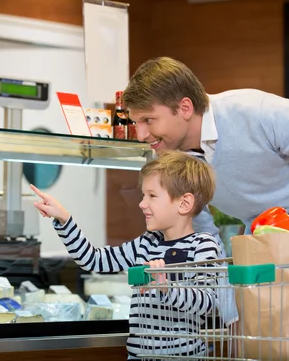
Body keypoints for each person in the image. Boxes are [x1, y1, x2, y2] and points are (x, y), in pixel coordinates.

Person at [122, 56, 289, 242]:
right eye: (136, 122)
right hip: (260, 246)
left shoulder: (262, 112)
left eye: (149, 120)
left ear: (185, 108)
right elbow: (201, 228)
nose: (141, 135)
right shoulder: (171, 156)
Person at [31, 150, 221, 359]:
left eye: (152, 196)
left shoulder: (202, 245)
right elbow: (93, 260)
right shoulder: (146, 243)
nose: (142, 203)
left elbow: (208, 303)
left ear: (184, 203)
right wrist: (64, 219)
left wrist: (167, 287)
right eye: (143, 195)